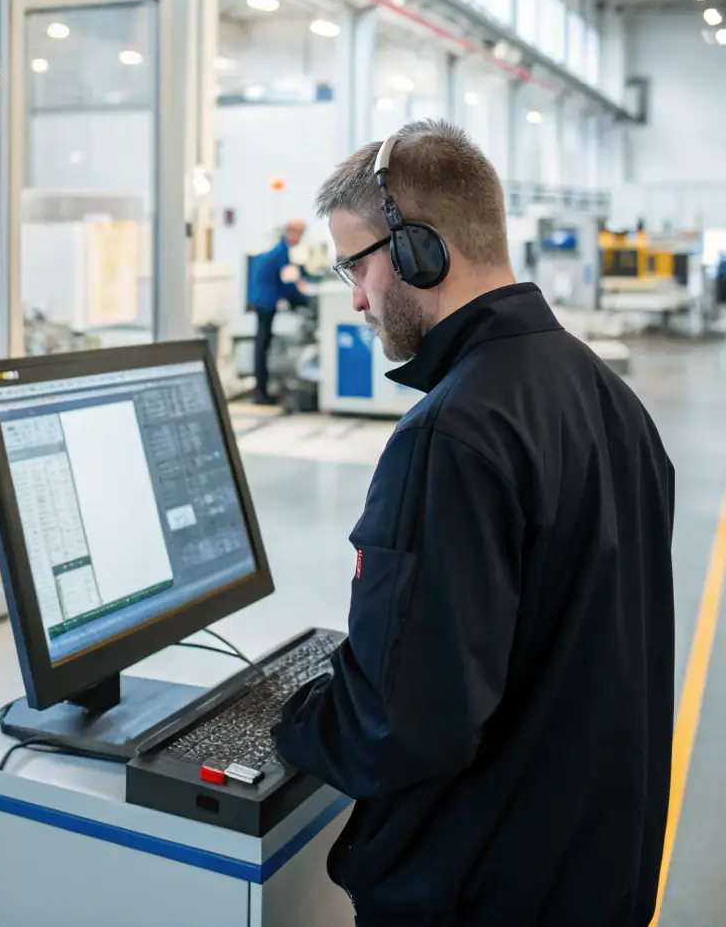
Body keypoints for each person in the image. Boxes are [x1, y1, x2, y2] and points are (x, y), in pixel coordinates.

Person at [272, 121, 675, 927]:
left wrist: (290, 715)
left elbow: (401, 724)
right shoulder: (605, 397)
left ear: (420, 250)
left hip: (485, 891)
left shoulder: (452, 435)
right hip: (591, 873)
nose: (354, 295)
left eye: (357, 264)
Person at [247, 219, 307, 405]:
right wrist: (302, 300)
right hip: (266, 303)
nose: (301, 238)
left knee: (262, 345)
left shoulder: (280, 251)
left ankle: (262, 391)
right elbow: (287, 283)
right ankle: (261, 393)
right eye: (299, 233)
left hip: (263, 301)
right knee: (262, 347)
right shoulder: (282, 252)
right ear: (290, 232)